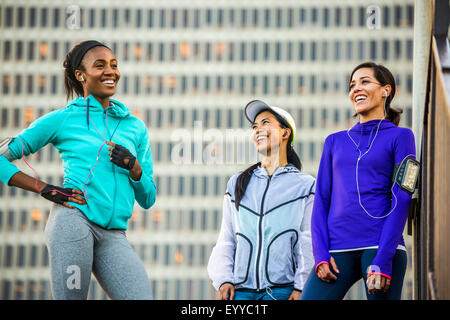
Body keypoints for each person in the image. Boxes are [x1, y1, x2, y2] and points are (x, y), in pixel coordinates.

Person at [0, 40, 156, 299]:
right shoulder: (64, 118)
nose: (111, 71)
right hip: (74, 222)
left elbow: (148, 198)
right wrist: (45, 189)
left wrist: (134, 168)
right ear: (80, 75)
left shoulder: (135, 127)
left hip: (114, 233)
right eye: (100, 65)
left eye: (114, 65)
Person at [301, 62, 417, 300]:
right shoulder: (334, 142)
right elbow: (321, 201)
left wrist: (384, 257)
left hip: (380, 246)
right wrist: (320, 254)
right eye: (352, 85)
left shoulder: (402, 136)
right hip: (336, 249)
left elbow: (403, 195)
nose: (356, 89)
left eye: (364, 81)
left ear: (386, 90)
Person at [207, 100, 315, 300]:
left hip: (283, 290)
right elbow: (226, 238)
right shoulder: (237, 183)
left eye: (266, 123)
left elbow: (308, 239)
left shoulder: (306, 185)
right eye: (255, 126)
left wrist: (301, 286)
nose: (258, 130)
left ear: (285, 133)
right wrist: (224, 279)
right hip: (238, 292)